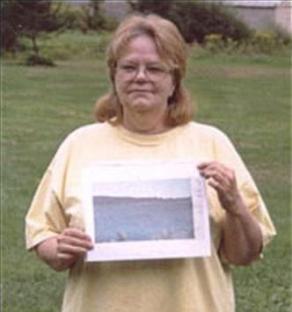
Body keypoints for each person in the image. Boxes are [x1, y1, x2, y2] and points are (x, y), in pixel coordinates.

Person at [25, 14, 276, 312]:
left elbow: (243, 254)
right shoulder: (79, 144)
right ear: (114, 76)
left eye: (155, 68)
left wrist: (234, 205)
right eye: (129, 67)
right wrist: (59, 250)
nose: (140, 77)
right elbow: (43, 233)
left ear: (174, 81)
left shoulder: (212, 144)